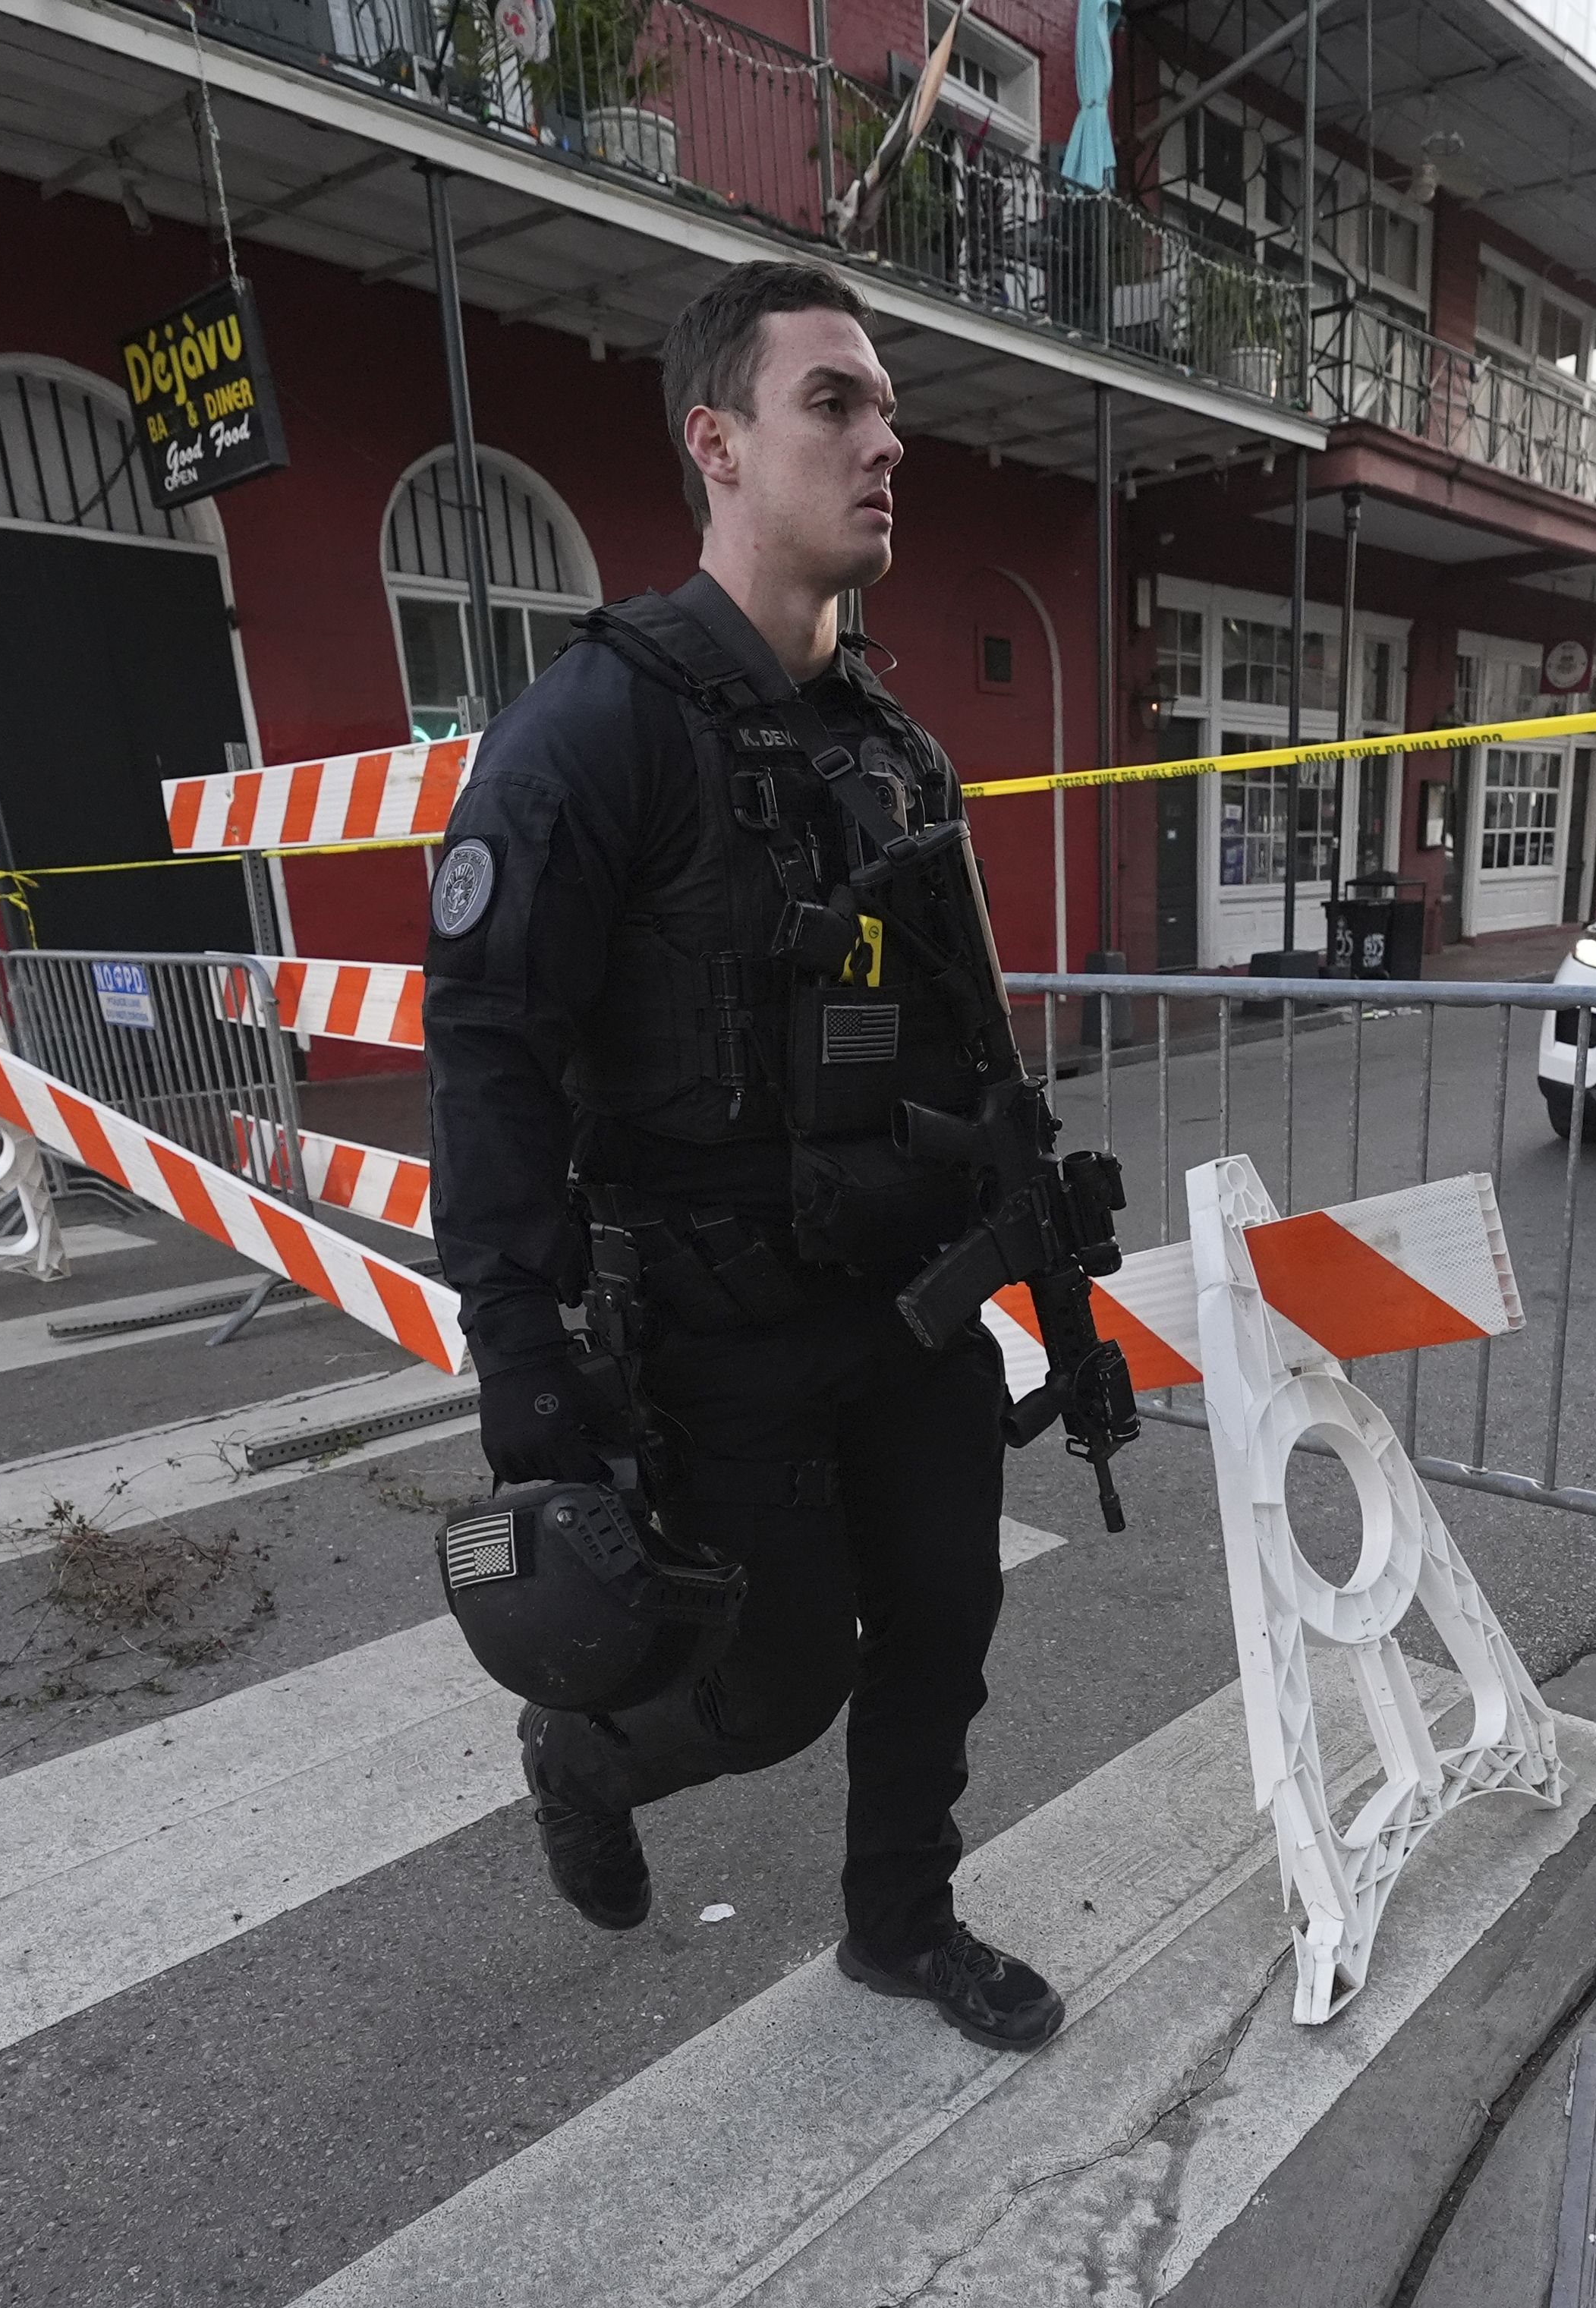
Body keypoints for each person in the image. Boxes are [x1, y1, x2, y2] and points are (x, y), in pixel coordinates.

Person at [422, 260, 1062, 2052]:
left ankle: (900, 1925)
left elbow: (963, 1033)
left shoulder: (888, 749)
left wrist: (1025, 1201)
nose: (885, 443)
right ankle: (583, 1754)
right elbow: (488, 1048)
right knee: (775, 1683)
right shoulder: (593, 730)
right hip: (710, 1315)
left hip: (903, 1293)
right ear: (716, 443)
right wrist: (520, 1353)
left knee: (942, 1616)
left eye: (887, 409)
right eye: (833, 405)